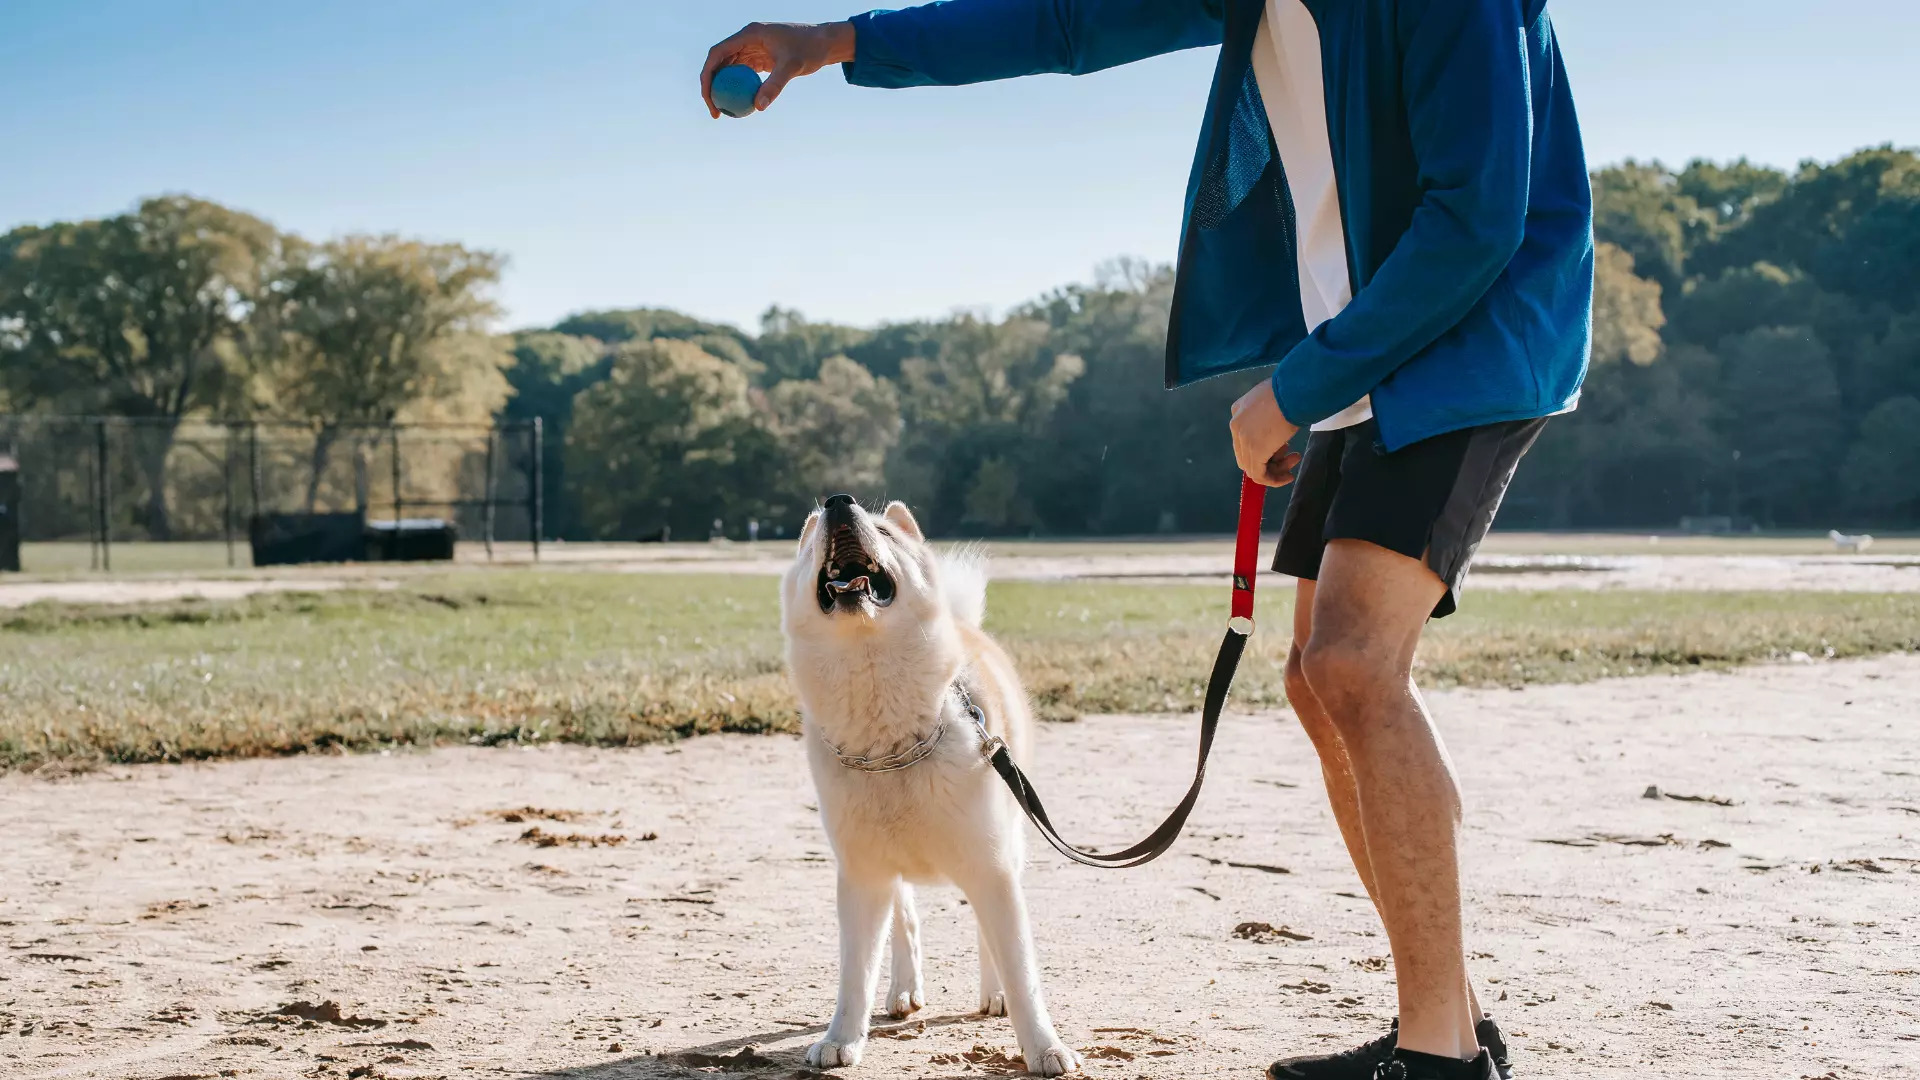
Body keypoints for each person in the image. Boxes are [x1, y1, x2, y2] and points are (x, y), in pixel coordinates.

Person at [700, 3, 1592, 1078]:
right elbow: (1066, 21)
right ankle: (1449, 1020)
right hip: (1367, 345)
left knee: (1355, 665)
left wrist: (1298, 387)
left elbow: (1476, 222)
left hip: (1475, 340)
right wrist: (835, 43)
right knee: (1320, 681)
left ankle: (1440, 1059)